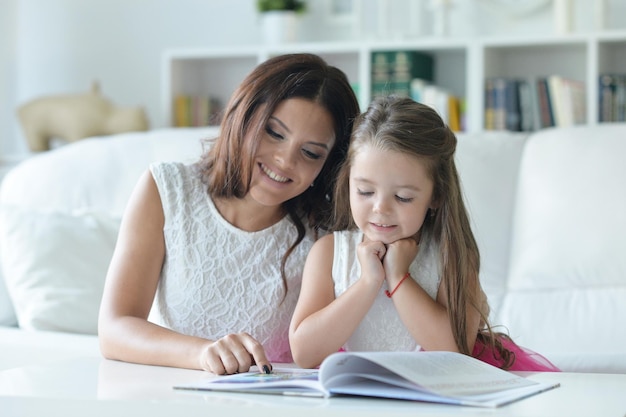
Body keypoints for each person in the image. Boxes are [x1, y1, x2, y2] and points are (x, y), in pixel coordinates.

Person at [98, 53, 360, 375]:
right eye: (274, 133)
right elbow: (115, 328)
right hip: (170, 397)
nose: (285, 160)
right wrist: (203, 354)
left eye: (310, 153)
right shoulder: (166, 190)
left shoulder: (328, 234)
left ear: (328, 165)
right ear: (243, 117)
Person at [289, 95, 560, 372]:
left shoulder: (449, 256)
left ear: (436, 196)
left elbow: (455, 352)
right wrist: (368, 282)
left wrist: (398, 278)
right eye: (365, 191)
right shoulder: (330, 252)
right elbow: (304, 352)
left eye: (403, 197)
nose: (380, 208)